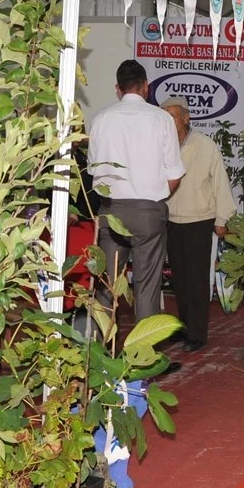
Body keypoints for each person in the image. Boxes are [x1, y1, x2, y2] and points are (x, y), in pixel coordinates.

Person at [88, 59, 186, 326]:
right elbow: (175, 173)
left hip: (111, 210)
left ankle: (100, 359)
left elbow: (93, 170)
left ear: (117, 89)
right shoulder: (162, 119)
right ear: (146, 87)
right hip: (148, 213)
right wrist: (153, 197)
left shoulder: (100, 119)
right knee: (147, 288)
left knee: (106, 288)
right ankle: (144, 357)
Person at [160, 97, 236, 352]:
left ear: (185, 118)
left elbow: (220, 184)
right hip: (171, 219)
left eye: (172, 116)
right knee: (179, 278)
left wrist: (222, 219)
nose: (168, 121)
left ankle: (198, 333)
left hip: (199, 219)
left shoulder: (206, 146)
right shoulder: (161, 146)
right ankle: (183, 327)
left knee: (197, 279)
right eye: (164, 116)